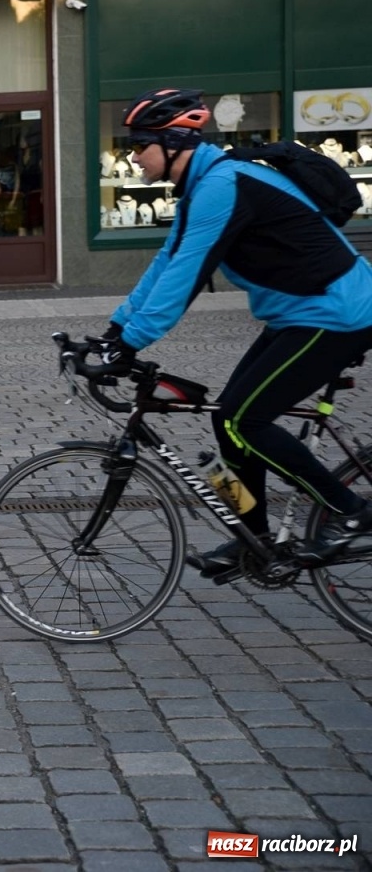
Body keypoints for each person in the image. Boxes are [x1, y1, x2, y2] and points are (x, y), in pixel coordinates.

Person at [95, 88, 372, 578]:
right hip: (299, 314)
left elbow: (189, 274)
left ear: (175, 141)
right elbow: (168, 262)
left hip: (337, 312)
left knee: (245, 419)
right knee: (227, 420)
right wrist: (116, 330)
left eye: (140, 144)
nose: (133, 155)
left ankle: (349, 508)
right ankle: (254, 541)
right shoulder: (204, 186)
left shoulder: (225, 184)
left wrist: (132, 343)